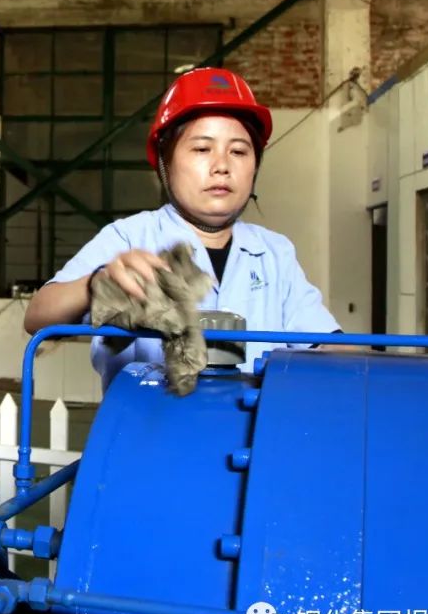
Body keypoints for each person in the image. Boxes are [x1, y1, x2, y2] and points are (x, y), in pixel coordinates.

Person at [23, 67, 341, 388]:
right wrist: (97, 284)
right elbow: (37, 317)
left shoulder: (275, 253)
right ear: (166, 162)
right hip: (151, 419)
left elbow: (331, 347)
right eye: (202, 149)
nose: (222, 166)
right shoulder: (130, 238)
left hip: (257, 422)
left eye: (239, 151)